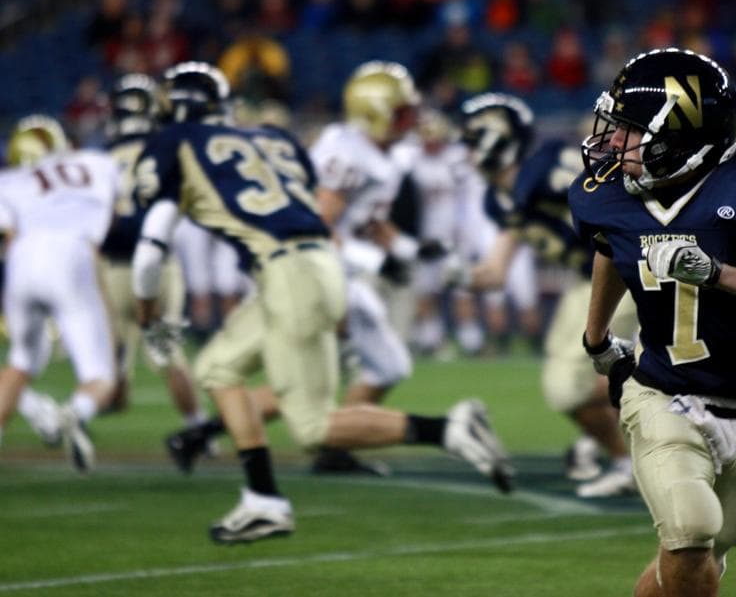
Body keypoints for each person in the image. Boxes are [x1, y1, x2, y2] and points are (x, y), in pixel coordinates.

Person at [132, 61, 512, 544]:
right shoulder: (273, 137)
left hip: (291, 272)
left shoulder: (174, 142)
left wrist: (148, 316)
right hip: (312, 267)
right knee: (217, 367)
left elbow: (150, 252)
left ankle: (449, 430)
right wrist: (385, 259)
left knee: (312, 427)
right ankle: (262, 499)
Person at [569, 47, 736, 596]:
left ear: (680, 138)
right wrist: (597, 339)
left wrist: (717, 273)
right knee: (691, 533)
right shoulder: (609, 195)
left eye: (630, 129)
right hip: (664, 395)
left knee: (699, 558)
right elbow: (609, 246)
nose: (613, 141)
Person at [454, 92, 640, 497]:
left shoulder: (546, 167)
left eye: (471, 142)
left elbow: (621, 200)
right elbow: (495, 273)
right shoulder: (500, 197)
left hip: (619, 271)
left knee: (568, 386)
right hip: (585, 280)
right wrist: (458, 274)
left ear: (496, 140)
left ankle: (659, 411)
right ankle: (626, 445)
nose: (465, 153)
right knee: (571, 378)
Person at [0, 121, 120, 472]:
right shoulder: (97, 163)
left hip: (22, 257)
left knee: (21, 362)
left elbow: (8, 235)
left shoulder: (9, 181)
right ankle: (74, 413)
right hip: (72, 253)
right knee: (100, 377)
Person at [97, 74, 207, 433]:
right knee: (167, 352)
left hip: (115, 266)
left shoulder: (102, 157)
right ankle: (198, 428)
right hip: (159, 262)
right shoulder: (165, 146)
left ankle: (94, 411)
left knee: (113, 350)